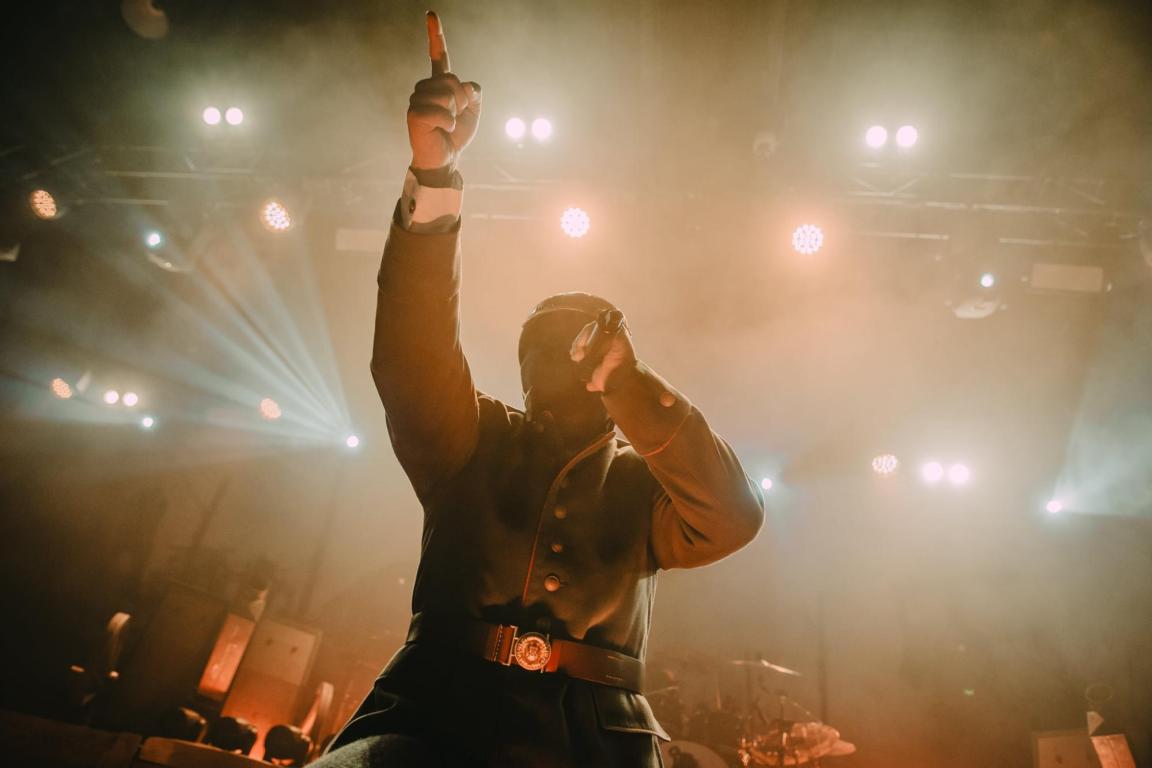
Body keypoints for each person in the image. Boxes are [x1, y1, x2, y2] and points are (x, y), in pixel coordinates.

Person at [314, 12, 764, 768]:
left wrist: (632, 389)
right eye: (546, 348)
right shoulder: (473, 439)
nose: (567, 361)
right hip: (432, 721)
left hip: (597, 744)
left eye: (586, 342)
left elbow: (734, 517)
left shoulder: (642, 486)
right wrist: (433, 179)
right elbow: (412, 357)